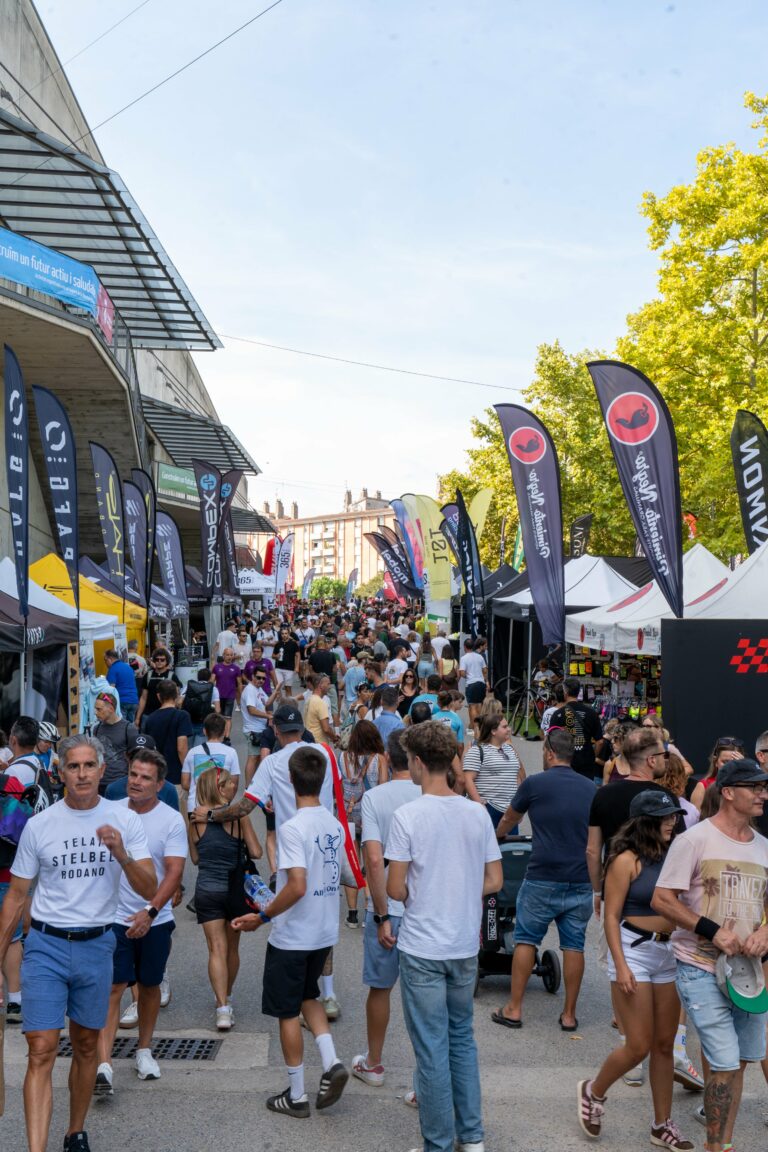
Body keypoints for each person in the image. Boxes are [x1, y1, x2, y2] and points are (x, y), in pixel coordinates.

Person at [0, 733, 155, 1152]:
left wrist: (121, 854)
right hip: (45, 946)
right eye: (73, 766)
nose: (82, 774)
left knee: (86, 1044)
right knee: (41, 1048)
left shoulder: (124, 820)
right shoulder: (40, 825)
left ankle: (75, 1131)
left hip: (97, 945)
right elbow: (17, 895)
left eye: (89, 766)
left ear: (102, 770)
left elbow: (149, 887)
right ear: (60, 772)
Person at [386, 721, 502, 1152]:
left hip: (423, 945)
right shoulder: (476, 812)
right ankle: (471, 1137)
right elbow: (495, 879)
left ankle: (437, 1143)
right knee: (461, 1040)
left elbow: (396, 888)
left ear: (417, 763)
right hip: (462, 943)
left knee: (432, 1048)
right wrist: (461, 887)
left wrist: (424, 888)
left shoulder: (408, 815)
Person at [195, 706, 341, 1018]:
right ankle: (328, 993)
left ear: (275, 730)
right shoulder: (324, 753)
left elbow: (244, 808)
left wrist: (210, 815)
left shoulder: (273, 762)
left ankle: (301, 998)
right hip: (327, 840)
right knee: (323, 917)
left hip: (294, 845)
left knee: (292, 922)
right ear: (302, 728)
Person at [652, 759, 768, 1152]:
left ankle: (723, 1144)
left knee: (740, 1063)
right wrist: (711, 929)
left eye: (764, 787)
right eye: (755, 787)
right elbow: (662, 899)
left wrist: (765, 932)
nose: (763, 794)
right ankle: (715, 1148)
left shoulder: (764, 847)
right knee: (725, 1061)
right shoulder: (694, 840)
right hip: (699, 967)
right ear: (729, 792)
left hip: (748, 974)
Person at [231, 746, 350, 1119]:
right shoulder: (333, 824)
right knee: (308, 996)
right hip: (324, 931)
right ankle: (331, 1061)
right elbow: (341, 874)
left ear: (290, 780)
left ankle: (297, 1094)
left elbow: (297, 885)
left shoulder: (292, 828)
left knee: (286, 1011)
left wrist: (263, 916)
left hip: (294, 934)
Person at [578, 790, 693, 1151]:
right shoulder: (625, 859)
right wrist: (621, 965)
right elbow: (610, 917)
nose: (672, 822)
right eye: (665, 817)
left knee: (664, 1044)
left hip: (669, 952)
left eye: (674, 816)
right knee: (639, 1045)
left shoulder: (676, 855)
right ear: (645, 822)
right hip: (634, 951)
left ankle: (662, 1124)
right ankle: (593, 1091)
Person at [95, 748, 187, 1095]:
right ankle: (104, 1065)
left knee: (149, 986)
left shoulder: (171, 820)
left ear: (159, 784)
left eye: (145, 777)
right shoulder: (110, 811)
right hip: (113, 918)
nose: (136, 782)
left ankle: (144, 1051)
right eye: (133, 774)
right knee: (113, 986)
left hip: (155, 919)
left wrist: (150, 911)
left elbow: (174, 872)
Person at [493, 728, 595, 1031]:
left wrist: (498, 835)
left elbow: (510, 818)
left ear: (549, 753)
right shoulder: (590, 788)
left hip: (542, 875)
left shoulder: (535, 784)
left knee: (526, 939)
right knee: (574, 945)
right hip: (579, 877)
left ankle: (514, 1008)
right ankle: (569, 1015)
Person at [351, 730, 421, 1088]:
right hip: (422, 908)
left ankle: (374, 1063)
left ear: (388, 759)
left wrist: (380, 915)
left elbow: (374, 861)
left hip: (388, 906)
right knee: (423, 997)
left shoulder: (375, 797)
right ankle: (424, 1079)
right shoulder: (430, 795)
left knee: (380, 988)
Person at [188, 766, 262, 1030]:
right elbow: (256, 851)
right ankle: (227, 996)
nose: (234, 787)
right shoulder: (239, 819)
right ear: (219, 788)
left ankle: (221, 1009)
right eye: (230, 783)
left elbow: (195, 858)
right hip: (234, 890)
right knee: (231, 948)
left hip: (207, 889)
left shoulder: (194, 820)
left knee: (215, 949)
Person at [340, 721, 386, 929]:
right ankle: (369, 910)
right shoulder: (379, 759)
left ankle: (352, 914)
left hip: (348, 814)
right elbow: (383, 788)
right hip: (369, 815)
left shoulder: (342, 757)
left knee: (351, 862)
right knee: (370, 864)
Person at [463, 713, 525, 829]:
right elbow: (467, 779)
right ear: (493, 731)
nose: (509, 729)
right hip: (490, 808)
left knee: (510, 841)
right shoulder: (477, 751)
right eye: (504, 727)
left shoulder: (510, 749)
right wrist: (480, 806)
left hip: (510, 811)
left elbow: (516, 777)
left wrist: (518, 807)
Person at [143, 680, 194, 804]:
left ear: (158, 696)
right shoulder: (182, 716)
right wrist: (187, 769)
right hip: (176, 775)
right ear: (176, 695)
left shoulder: (150, 719)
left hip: (156, 775)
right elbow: (181, 747)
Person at [180, 712, 240, 815]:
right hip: (220, 807)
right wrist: (226, 801)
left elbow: (185, 783)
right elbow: (234, 784)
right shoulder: (231, 752)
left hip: (195, 807)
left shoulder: (192, 752)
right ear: (224, 731)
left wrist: (202, 789)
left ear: (204, 731)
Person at [547, 677, 603, 781]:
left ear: (565, 692)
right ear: (578, 692)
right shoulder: (591, 713)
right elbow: (600, 742)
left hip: (564, 762)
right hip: (585, 762)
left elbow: (550, 742)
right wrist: (592, 757)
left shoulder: (558, 714)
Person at [92, 690, 139, 795]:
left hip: (120, 783)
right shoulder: (96, 729)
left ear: (111, 709)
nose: (95, 712)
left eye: (99, 709)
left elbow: (135, 758)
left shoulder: (128, 728)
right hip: (100, 782)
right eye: (95, 708)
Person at [689, 736, 745, 809]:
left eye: (735, 762)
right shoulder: (703, 787)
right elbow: (695, 815)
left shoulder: (747, 785)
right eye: (725, 762)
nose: (729, 766)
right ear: (715, 762)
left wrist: (746, 769)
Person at [242, 667, 276, 781]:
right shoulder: (250, 690)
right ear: (252, 676)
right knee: (253, 757)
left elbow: (267, 702)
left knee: (257, 757)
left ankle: (253, 784)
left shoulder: (258, 689)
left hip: (259, 728)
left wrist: (276, 691)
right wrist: (268, 716)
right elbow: (251, 710)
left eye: (263, 678)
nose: (261, 680)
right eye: (258, 677)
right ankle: (248, 787)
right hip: (253, 729)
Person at [135, 649, 183, 726]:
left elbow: (176, 697)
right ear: (154, 661)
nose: (159, 661)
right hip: (148, 714)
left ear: (167, 661)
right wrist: (138, 718)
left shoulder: (172, 676)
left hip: (167, 715)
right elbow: (143, 698)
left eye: (162, 660)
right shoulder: (148, 675)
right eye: (157, 659)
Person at [180, 667, 219, 747]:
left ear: (197, 677)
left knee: (187, 749)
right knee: (199, 749)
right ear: (209, 678)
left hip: (188, 721)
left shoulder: (189, 686)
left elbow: (179, 702)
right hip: (204, 722)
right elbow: (217, 710)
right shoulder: (213, 689)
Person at [210, 648, 241, 739]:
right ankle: (218, 736)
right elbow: (211, 682)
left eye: (231, 655)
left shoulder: (236, 668)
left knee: (228, 717)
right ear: (223, 655)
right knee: (219, 717)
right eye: (227, 655)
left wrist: (241, 696)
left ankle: (227, 738)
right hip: (218, 698)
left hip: (230, 696)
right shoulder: (217, 667)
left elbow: (239, 683)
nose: (229, 657)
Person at [459, 638, 488, 727]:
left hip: (471, 684)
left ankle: (474, 726)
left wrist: (468, 675)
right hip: (481, 683)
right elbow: (485, 670)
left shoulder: (464, 658)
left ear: (465, 647)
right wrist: (484, 679)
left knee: (472, 706)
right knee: (480, 705)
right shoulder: (480, 656)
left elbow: (462, 673)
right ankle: (480, 726)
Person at [104, 648, 139, 722]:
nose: (105, 663)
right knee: (130, 726)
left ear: (110, 659)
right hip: (134, 700)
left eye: (105, 660)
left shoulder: (113, 669)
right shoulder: (128, 667)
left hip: (122, 701)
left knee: (121, 726)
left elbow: (111, 689)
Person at [304, 674, 338, 745]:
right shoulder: (321, 703)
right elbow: (326, 729)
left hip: (309, 741)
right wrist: (335, 738)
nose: (329, 687)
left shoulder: (309, 699)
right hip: (319, 743)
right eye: (328, 684)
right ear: (320, 685)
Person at [431, 690, 466, 756]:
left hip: (436, 754)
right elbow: (460, 745)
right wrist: (460, 759)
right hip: (451, 754)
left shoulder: (432, 718)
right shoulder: (457, 718)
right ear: (451, 703)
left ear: (438, 703)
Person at [274, 627, 301, 697]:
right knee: (277, 687)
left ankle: (289, 702)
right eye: (282, 634)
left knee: (288, 688)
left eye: (286, 633)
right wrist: (276, 656)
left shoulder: (293, 644)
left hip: (289, 668)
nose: (284, 635)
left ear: (288, 634)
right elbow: (273, 655)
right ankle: (280, 702)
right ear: (281, 635)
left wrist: (297, 667)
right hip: (278, 668)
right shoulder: (278, 644)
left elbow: (298, 655)